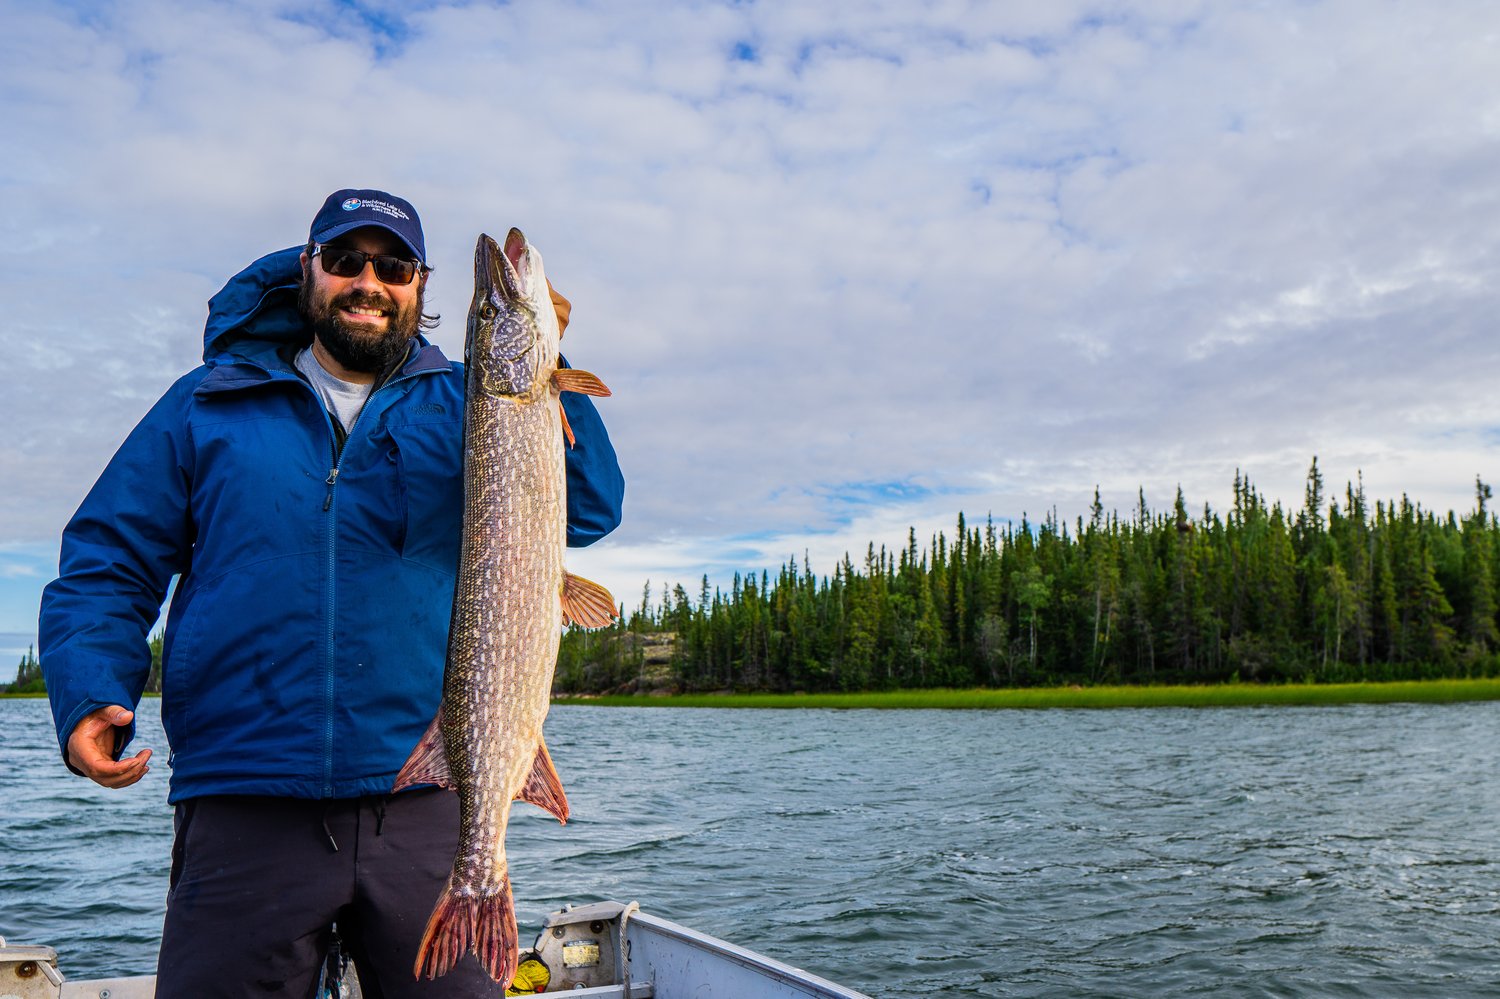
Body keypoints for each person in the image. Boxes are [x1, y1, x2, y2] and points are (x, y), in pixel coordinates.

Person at [38, 189, 624, 997]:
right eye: (345, 260)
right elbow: (109, 557)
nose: (368, 282)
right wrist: (90, 688)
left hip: (426, 793)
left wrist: (549, 370)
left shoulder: (468, 400)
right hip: (245, 800)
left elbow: (588, 509)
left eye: (393, 266)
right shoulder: (205, 404)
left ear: (420, 287)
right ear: (306, 271)